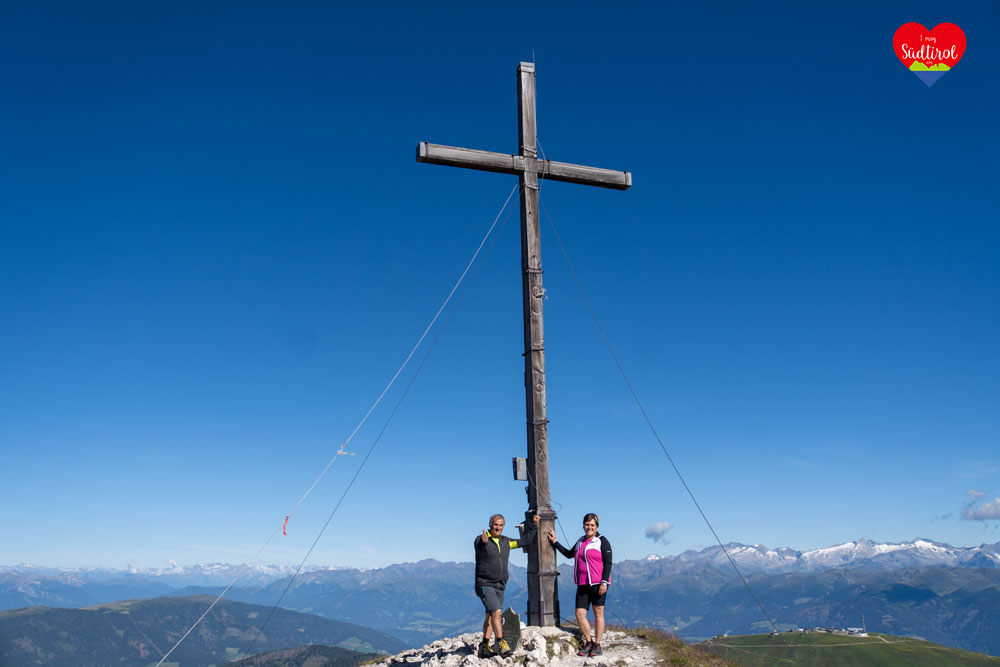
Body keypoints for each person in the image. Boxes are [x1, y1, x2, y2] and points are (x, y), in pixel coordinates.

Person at [474, 511, 539, 658]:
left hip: (500, 585)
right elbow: (479, 545)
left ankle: (484, 646)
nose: (498, 527)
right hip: (485, 584)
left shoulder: (506, 542)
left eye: (501, 525)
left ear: (503, 526)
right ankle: (501, 643)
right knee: (497, 612)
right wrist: (483, 541)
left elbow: (525, 541)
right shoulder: (481, 540)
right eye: (495, 525)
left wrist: (534, 525)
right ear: (490, 525)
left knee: (490, 615)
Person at [547, 513, 612, 658]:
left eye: (592, 525)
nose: (589, 527)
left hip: (598, 583)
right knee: (579, 614)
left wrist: (604, 582)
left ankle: (597, 645)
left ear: (597, 527)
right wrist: (555, 542)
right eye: (587, 524)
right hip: (582, 583)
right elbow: (569, 554)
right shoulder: (580, 541)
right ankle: (589, 642)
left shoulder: (602, 541)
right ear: (583, 526)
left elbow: (608, 562)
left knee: (598, 613)